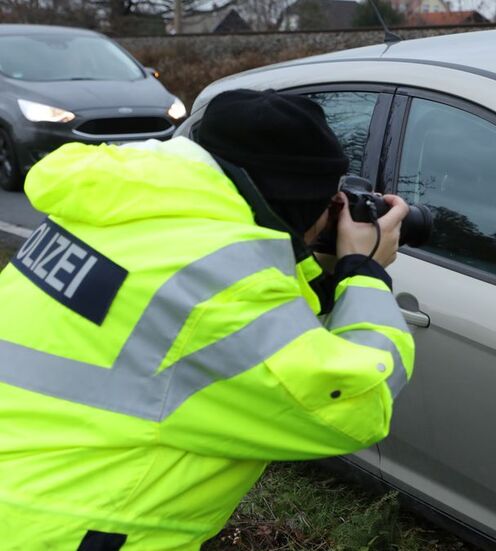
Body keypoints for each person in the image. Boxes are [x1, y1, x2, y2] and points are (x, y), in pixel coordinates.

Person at [0, 89, 414, 549]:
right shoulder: (225, 287)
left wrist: (314, 261)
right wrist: (363, 272)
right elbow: (354, 407)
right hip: (61, 530)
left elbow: (190, 312)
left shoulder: (115, 203)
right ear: (291, 207)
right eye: (329, 205)